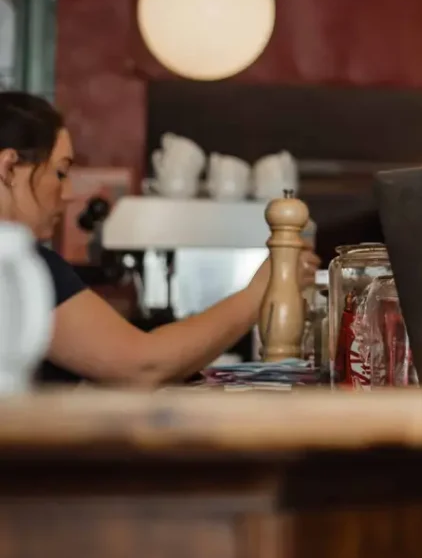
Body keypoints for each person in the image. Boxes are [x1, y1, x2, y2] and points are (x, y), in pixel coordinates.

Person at [0, 92, 319, 387]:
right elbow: (142, 365)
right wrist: (262, 291)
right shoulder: (15, 269)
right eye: (60, 172)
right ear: (9, 167)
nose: (68, 193)